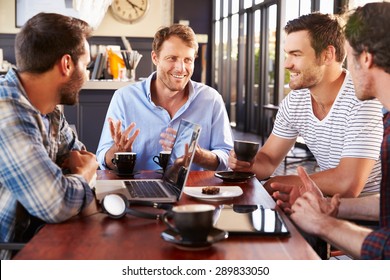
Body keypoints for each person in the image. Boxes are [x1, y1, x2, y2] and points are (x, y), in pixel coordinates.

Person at [272, 2, 390, 259]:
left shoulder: (367, 106)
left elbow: (385, 248)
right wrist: (329, 208)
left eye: (348, 54)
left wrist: (324, 223)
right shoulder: (388, 120)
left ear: (366, 58)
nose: (345, 67)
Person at [229, 12, 383, 198]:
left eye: (296, 54)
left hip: (374, 214)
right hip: (327, 205)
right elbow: (268, 161)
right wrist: (248, 164)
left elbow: (347, 183)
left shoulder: (362, 100)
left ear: (327, 55)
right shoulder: (295, 101)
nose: (287, 64)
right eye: (287, 55)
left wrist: (275, 183)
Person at [0, 13, 98, 260]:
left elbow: (81, 156)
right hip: (13, 254)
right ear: (67, 64)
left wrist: (78, 174)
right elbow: (56, 203)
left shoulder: (49, 110)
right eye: (86, 66)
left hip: (38, 239)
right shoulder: (6, 113)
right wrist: (83, 176)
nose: (86, 76)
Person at [96, 24, 233, 172]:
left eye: (188, 60)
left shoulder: (211, 99)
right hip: (139, 189)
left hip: (195, 191)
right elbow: (103, 159)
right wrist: (116, 153)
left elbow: (227, 157)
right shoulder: (124, 98)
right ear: (155, 58)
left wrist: (200, 156)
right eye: (172, 58)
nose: (181, 68)